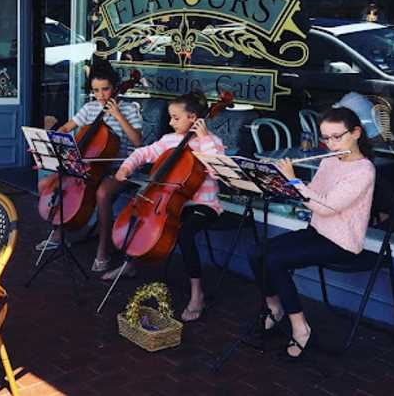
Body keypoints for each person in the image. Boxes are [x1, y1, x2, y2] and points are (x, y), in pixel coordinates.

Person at [249, 107, 375, 360]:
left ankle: (301, 327)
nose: (330, 144)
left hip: (342, 242)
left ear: (356, 133)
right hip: (318, 231)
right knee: (257, 253)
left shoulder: (364, 171)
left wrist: (294, 181)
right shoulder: (330, 160)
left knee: (275, 261)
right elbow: (311, 195)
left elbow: (325, 207)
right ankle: (274, 308)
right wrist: (277, 181)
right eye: (325, 138)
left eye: (336, 137)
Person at [114, 91, 226, 321]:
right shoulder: (169, 140)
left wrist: (204, 140)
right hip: (171, 203)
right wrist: (127, 167)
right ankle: (128, 264)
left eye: (176, 117)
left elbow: (219, 173)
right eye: (170, 117)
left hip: (203, 205)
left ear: (193, 118)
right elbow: (143, 152)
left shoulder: (212, 142)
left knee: (184, 234)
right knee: (143, 219)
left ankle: (197, 294)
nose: (170, 122)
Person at [35, 60, 143, 274]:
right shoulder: (89, 108)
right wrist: (55, 137)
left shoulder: (130, 109)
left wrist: (118, 116)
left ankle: (103, 249)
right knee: (46, 184)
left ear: (114, 88)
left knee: (103, 194)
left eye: (105, 89)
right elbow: (68, 127)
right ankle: (59, 232)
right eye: (96, 90)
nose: (101, 95)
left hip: (120, 168)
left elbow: (138, 142)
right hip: (88, 167)